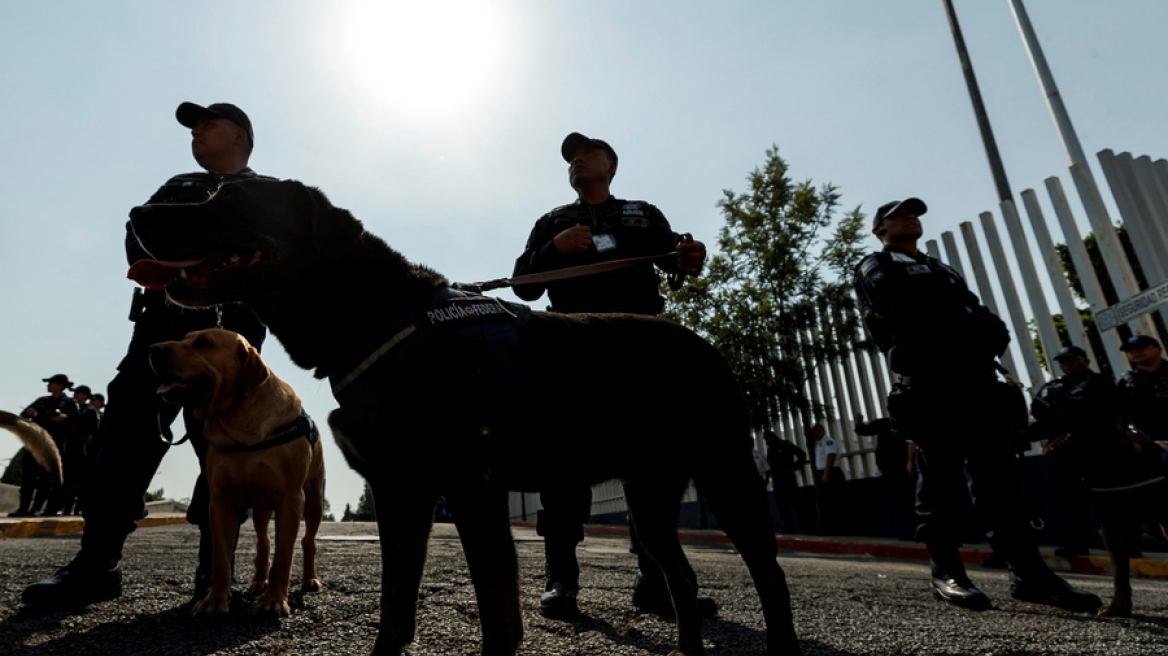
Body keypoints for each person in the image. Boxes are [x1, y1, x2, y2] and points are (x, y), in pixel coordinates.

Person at [22, 102, 270, 609]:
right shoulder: (178, 185)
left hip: (231, 343)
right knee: (123, 447)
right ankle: (95, 568)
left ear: (240, 136)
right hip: (160, 334)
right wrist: (189, 264)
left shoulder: (270, 196)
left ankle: (217, 578)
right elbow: (140, 233)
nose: (196, 132)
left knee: (224, 458)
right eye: (193, 126)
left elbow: (276, 260)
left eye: (208, 123)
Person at [853, 196, 1100, 612]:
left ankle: (1030, 576)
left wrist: (972, 328)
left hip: (979, 382)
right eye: (898, 215)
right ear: (880, 231)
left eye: (914, 213)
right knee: (940, 481)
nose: (910, 217)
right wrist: (963, 326)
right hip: (932, 384)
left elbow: (990, 322)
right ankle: (947, 572)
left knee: (1002, 482)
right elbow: (906, 314)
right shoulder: (877, 266)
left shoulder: (940, 267)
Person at [512, 132, 709, 619]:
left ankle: (657, 580)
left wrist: (690, 256)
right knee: (562, 466)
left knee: (654, 465)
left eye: (587, 153)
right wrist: (553, 250)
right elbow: (523, 286)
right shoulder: (552, 221)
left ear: (611, 164)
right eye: (571, 159)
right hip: (572, 352)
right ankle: (561, 580)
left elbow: (676, 259)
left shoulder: (643, 212)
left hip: (640, 350)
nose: (577, 160)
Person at [11, 374, 79, 517]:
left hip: (53, 445)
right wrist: (28, 413)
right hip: (35, 442)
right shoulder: (42, 401)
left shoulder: (69, 403)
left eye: (51, 383)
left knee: (45, 479)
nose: (48, 386)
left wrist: (65, 419)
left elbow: (76, 424)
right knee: (28, 477)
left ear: (60, 385)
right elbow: (24, 415)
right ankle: (23, 508)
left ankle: (36, 509)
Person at [855, 414, 917, 540]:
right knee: (908, 499)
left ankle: (910, 530)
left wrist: (859, 423)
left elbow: (864, 431)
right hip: (901, 466)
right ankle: (913, 530)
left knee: (901, 500)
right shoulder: (905, 422)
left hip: (893, 467)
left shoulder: (884, 423)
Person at [1116, 335, 1168, 445]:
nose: (1134, 352)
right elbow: (1121, 416)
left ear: (1158, 349)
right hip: (1153, 443)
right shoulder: (1127, 382)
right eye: (1129, 350)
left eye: (1141, 347)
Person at [60, 385, 99, 516]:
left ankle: (78, 509)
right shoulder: (71, 408)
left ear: (84, 395)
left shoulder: (90, 411)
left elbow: (91, 433)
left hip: (82, 452)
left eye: (78, 393)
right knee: (67, 481)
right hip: (68, 448)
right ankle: (66, 508)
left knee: (81, 483)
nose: (75, 395)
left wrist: (78, 431)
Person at [764, 429, 807, 534]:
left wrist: (794, 467)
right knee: (784, 506)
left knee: (794, 504)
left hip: (787, 478)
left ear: (771, 437)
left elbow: (801, 454)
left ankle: (801, 526)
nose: (766, 441)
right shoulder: (771, 449)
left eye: (766, 438)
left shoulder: (785, 444)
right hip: (779, 479)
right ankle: (790, 527)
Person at [809, 424, 845, 535]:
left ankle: (836, 528)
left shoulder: (828, 441)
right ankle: (827, 527)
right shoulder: (818, 444)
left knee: (833, 501)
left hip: (831, 473)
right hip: (823, 473)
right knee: (824, 501)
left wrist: (826, 473)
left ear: (823, 431)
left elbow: (831, 456)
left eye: (818, 431)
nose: (816, 434)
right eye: (814, 432)